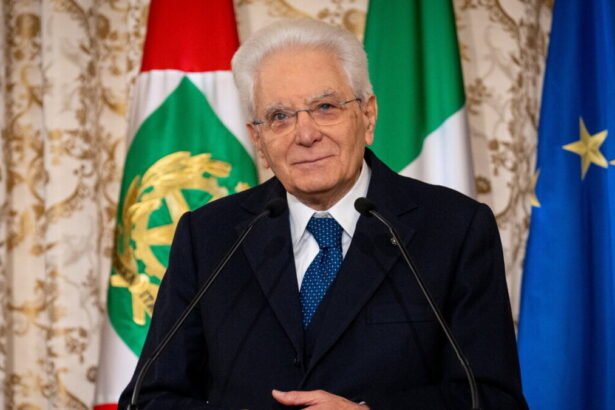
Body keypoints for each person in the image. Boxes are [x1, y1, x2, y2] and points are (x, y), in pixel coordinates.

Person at [119, 19, 527, 409]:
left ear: (367, 116)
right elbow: (146, 399)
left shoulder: (454, 228)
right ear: (258, 139)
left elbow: (494, 400)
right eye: (280, 116)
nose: (306, 134)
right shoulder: (209, 236)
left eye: (326, 106)